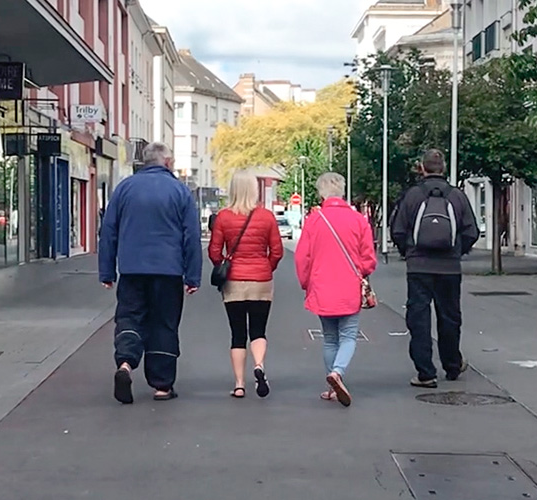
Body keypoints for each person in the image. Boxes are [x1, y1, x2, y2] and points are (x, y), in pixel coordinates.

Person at [99, 142, 202, 404]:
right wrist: (192, 276)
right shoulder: (180, 191)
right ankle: (162, 385)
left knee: (130, 317)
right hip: (168, 271)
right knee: (163, 324)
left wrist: (107, 271)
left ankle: (125, 364)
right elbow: (191, 236)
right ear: (167, 162)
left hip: (132, 269)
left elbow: (108, 231)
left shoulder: (124, 188)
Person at [392, 149, 479, 389]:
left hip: (418, 267)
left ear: (422, 167)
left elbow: (397, 230)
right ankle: (452, 365)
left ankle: (425, 373)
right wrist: (456, 252)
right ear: (443, 168)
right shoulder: (457, 196)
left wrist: (409, 252)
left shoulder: (412, 196)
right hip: (449, 268)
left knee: (419, 318)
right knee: (450, 316)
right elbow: (472, 232)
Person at [295, 172, 377, 407]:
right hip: (349, 286)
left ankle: (332, 383)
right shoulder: (358, 220)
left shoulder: (314, 220)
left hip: (321, 286)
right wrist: (361, 271)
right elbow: (368, 257)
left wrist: (306, 283)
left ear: (321, 193)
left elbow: (303, 257)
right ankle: (338, 372)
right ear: (342, 191)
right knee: (349, 335)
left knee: (330, 338)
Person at [208, 170, 284, 399]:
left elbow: (214, 251)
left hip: (233, 283)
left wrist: (223, 265)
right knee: (259, 330)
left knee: (237, 333)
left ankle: (239, 384)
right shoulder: (267, 217)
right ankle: (259, 365)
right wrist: (266, 267)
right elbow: (277, 251)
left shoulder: (223, 216)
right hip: (261, 281)